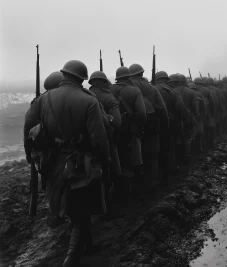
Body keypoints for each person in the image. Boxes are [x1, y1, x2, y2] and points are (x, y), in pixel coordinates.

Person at [24, 60, 110, 266]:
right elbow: (99, 138)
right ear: (82, 78)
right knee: (82, 207)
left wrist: (31, 156)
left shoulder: (43, 99)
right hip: (80, 162)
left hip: (51, 162)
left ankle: (87, 246)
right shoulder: (89, 100)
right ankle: (71, 257)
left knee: (72, 206)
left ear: (64, 75)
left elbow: (29, 128)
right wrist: (104, 160)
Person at [129, 63, 168, 189]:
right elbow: (162, 109)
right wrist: (165, 125)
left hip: (132, 127)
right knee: (152, 155)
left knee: (134, 156)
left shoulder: (128, 87)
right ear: (142, 73)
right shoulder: (152, 88)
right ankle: (151, 182)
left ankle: (136, 183)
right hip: (151, 125)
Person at [110, 66, 147, 194]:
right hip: (130, 131)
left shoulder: (109, 90)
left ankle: (117, 191)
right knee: (133, 161)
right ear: (129, 77)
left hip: (113, 132)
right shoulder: (134, 91)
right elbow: (142, 113)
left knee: (117, 162)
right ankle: (131, 192)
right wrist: (139, 127)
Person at [88, 71, 121, 212]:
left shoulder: (86, 95)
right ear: (103, 82)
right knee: (110, 173)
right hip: (106, 140)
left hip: (87, 144)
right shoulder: (108, 97)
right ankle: (108, 207)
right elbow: (117, 122)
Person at [155, 71, 191, 179]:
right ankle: (170, 170)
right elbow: (180, 107)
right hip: (171, 123)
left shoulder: (152, 89)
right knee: (170, 147)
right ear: (167, 79)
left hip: (155, 124)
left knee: (157, 149)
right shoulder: (173, 92)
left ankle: (158, 172)